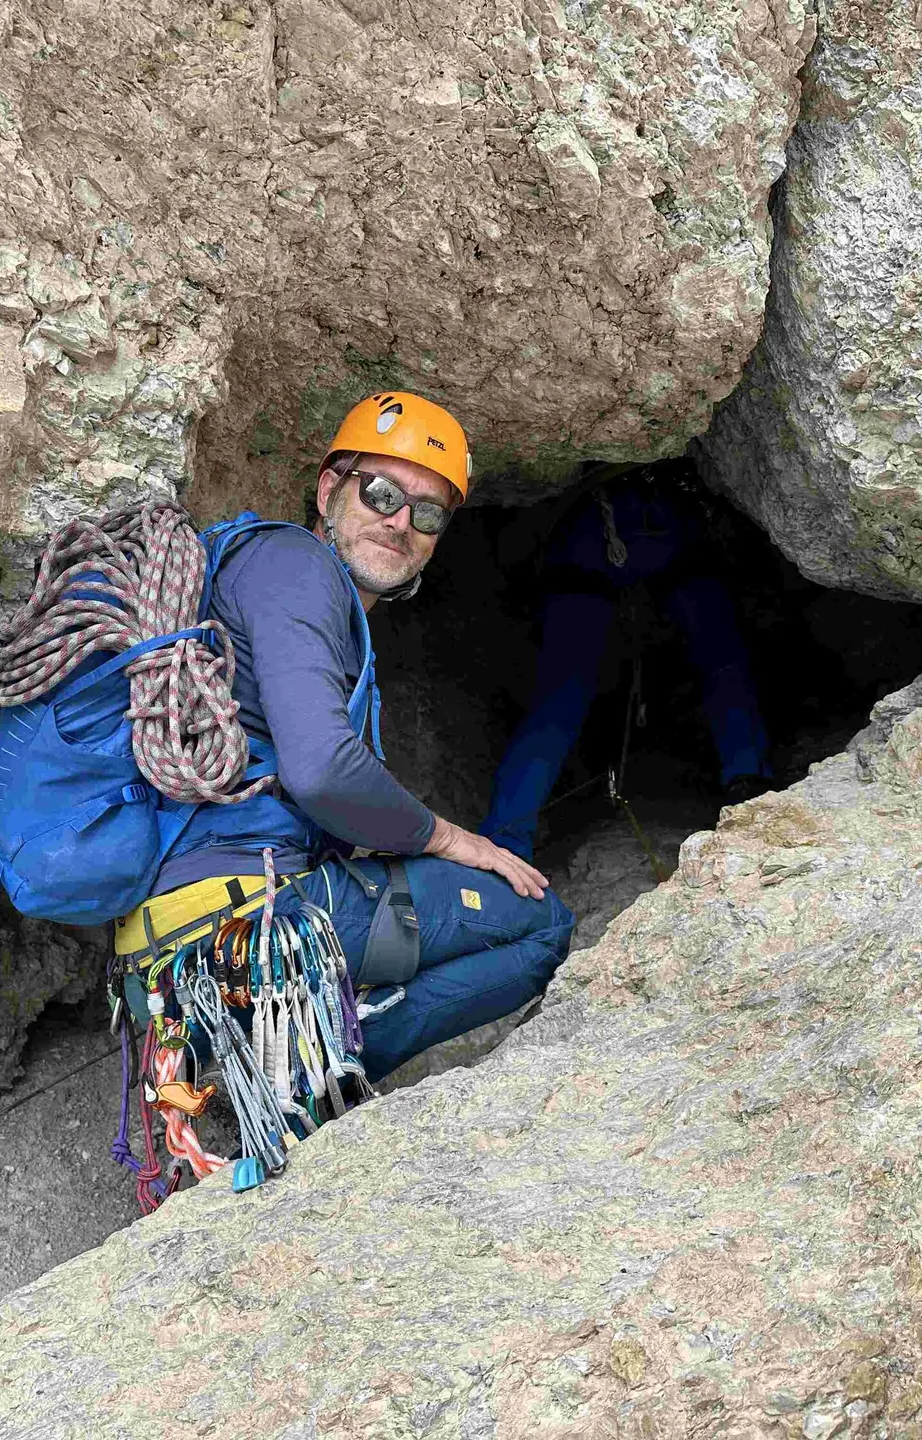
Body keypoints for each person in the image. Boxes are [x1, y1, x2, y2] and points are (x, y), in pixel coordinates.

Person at [113, 392, 575, 1083]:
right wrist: (451, 839)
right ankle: (315, 1069)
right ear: (329, 489)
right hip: (236, 932)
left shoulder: (273, 576)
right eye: (381, 493)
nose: (400, 522)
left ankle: (298, 1053)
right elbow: (323, 769)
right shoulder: (296, 567)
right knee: (541, 924)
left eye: (428, 513)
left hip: (173, 961)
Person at [479, 475, 770, 862]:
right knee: (720, 657)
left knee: (562, 696)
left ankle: (505, 842)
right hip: (655, 521)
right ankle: (748, 783)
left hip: (593, 526)